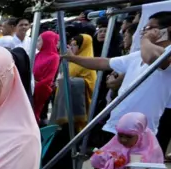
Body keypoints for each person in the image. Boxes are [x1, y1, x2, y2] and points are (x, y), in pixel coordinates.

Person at [59, 12, 171, 149]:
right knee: (104, 168)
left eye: (150, 28)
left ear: (167, 30)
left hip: (139, 132)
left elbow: (153, 60)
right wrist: (74, 58)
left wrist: (145, 40)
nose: (144, 32)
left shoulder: (161, 52)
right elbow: (104, 63)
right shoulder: (138, 55)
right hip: (116, 125)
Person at [52, 34, 97, 133]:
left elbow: (90, 84)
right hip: (65, 100)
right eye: (71, 44)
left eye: (75, 45)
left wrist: (67, 81)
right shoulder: (71, 61)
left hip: (79, 104)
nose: (71, 47)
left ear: (83, 46)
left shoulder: (87, 62)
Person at [33, 31, 60, 123]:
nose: (37, 43)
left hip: (41, 90)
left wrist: (35, 86)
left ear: (47, 41)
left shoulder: (54, 57)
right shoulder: (37, 55)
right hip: (32, 87)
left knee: (37, 114)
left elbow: (49, 78)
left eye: (39, 41)